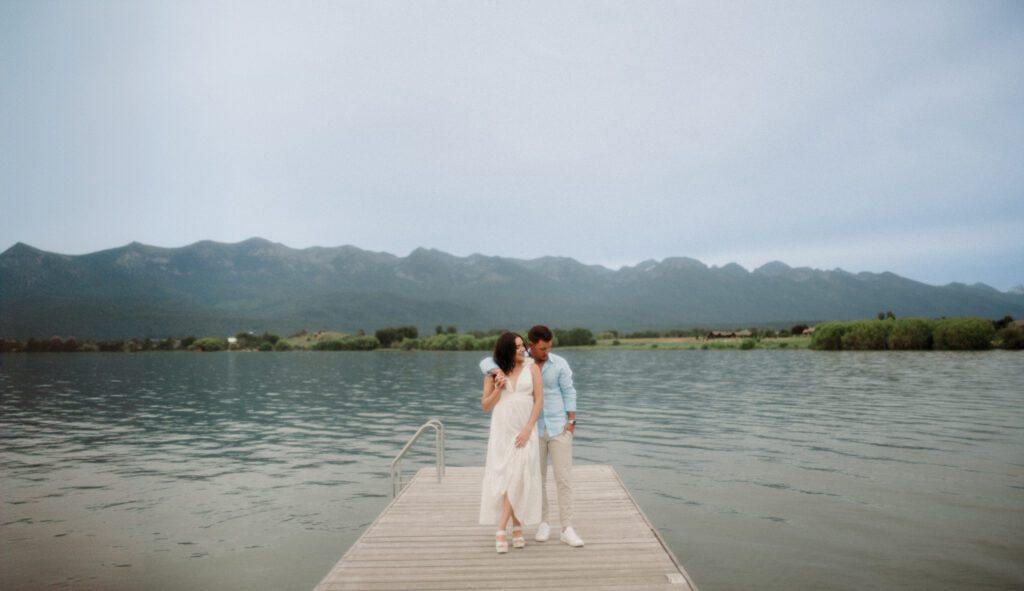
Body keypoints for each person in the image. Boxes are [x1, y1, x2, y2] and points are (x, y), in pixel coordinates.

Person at [480, 325, 584, 548]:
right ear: (531, 346)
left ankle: (567, 528)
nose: (546, 352)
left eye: (548, 348)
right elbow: (486, 363)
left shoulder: (558, 365)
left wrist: (571, 421)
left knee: (563, 478)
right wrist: (496, 374)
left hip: (556, 427)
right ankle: (543, 523)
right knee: (534, 479)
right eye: (542, 348)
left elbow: (569, 391)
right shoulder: (516, 361)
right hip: (528, 431)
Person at [478, 332, 544, 554]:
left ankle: (501, 528)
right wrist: (498, 387)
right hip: (502, 430)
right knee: (508, 476)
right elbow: (486, 406)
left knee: (519, 474)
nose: (521, 349)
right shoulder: (493, 373)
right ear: (506, 348)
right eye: (516, 346)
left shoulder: (532, 368)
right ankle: (516, 526)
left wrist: (528, 429)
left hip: (525, 429)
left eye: (522, 345)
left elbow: (539, 401)